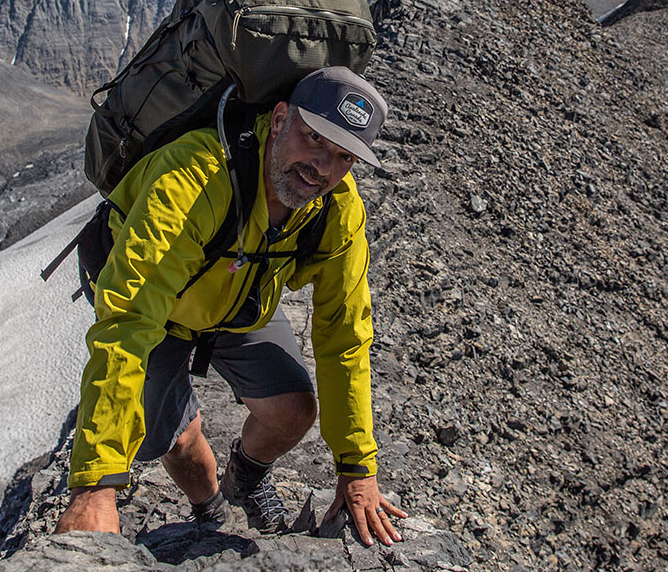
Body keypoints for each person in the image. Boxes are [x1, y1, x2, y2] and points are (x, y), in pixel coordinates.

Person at [54, 67, 406, 546]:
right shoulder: (196, 177)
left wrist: (357, 467)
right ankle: (209, 508)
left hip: (238, 303)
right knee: (175, 439)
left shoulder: (337, 210)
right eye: (314, 138)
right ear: (279, 119)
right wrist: (95, 485)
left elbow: (345, 332)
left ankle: (245, 477)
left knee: (293, 409)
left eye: (343, 156)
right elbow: (130, 320)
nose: (322, 167)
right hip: (161, 312)